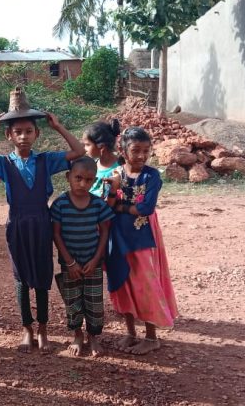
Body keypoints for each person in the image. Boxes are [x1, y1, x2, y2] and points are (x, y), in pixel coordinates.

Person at [0, 86, 85, 354]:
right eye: (17, 132)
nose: (23, 136)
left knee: (42, 276)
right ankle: (27, 329)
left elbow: (78, 151)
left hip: (42, 223)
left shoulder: (46, 160)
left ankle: (42, 328)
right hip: (17, 225)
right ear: (8, 135)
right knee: (20, 278)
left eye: (29, 131)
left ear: (37, 134)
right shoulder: (3, 163)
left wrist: (58, 126)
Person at [104, 126, 179, 355]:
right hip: (118, 236)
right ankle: (130, 333)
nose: (141, 156)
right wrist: (114, 191)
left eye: (146, 150)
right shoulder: (116, 174)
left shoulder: (151, 176)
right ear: (123, 151)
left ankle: (151, 337)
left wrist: (121, 206)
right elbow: (107, 206)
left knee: (145, 284)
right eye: (135, 150)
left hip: (143, 237)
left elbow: (146, 208)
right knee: (123, 283)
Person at [50, 157, 114, 357]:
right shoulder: (60, 204)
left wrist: (96, 260)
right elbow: (56, 234)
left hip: (93, 264)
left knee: (94, 302)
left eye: (88, 180)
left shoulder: (97, 204)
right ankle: (77, 335)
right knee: (73, 302)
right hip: (70, 265)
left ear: (94, 180)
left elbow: (104, 231)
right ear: (68, 177)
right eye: (78, 178)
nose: (83, 184)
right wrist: (70, 262)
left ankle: (93, 336)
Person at [81, 119, 122, 199]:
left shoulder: (118, 170)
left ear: (102, 147)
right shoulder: (93, 164)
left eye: (87, 145)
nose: (84, 148)